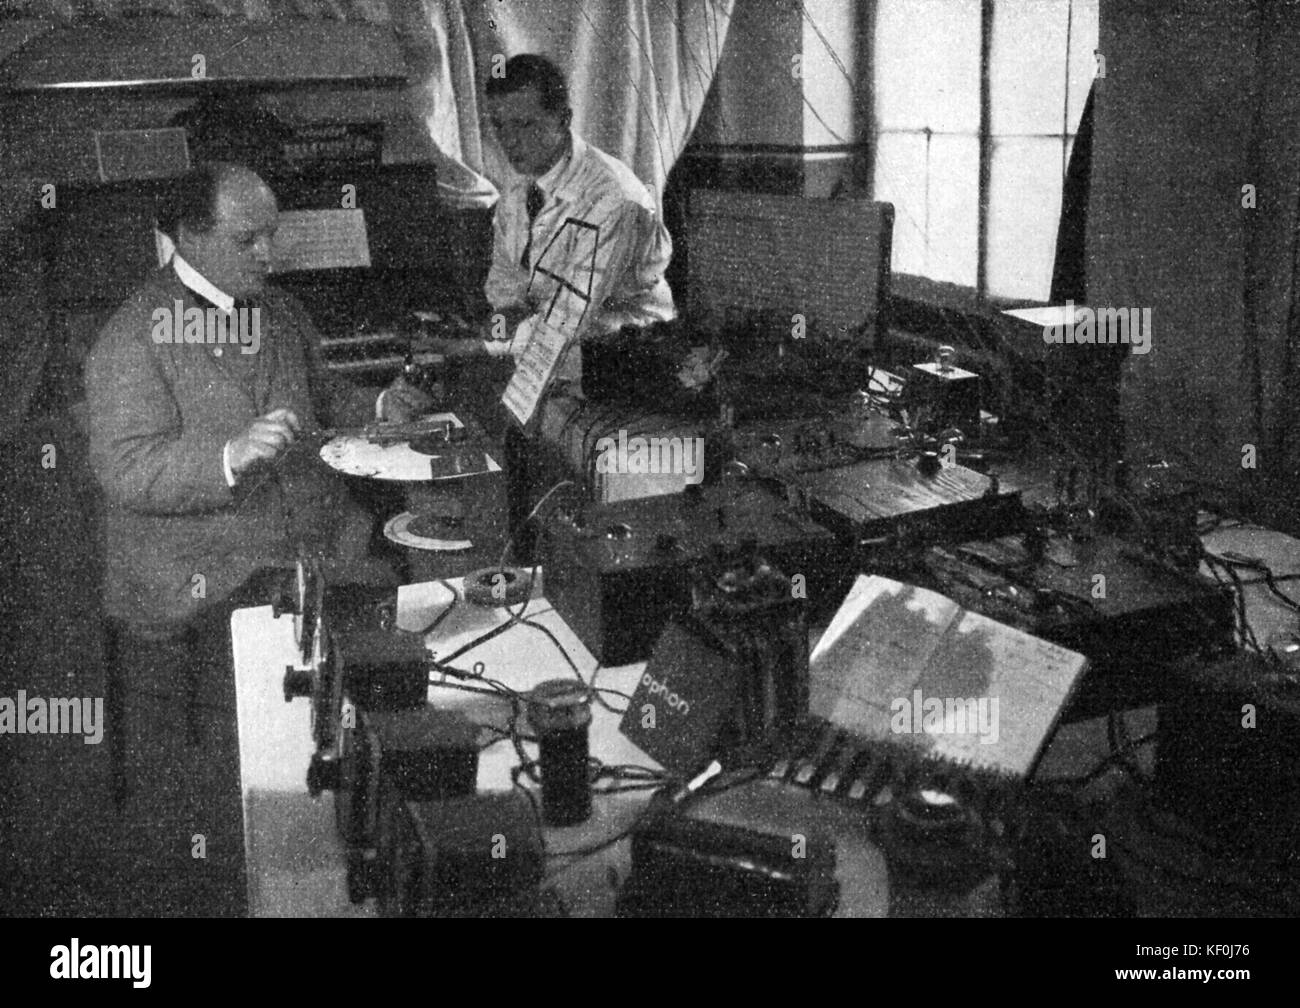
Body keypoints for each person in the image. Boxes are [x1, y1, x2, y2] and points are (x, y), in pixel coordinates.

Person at [83, 161, 431, 915]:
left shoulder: (278, 310)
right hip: (205, 561)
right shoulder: (132, 334)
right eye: (250, 239)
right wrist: (228, 456)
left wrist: (383, 403)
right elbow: (123, 468)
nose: (270, 254)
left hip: (311, 533)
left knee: (407, 610)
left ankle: (382, 817)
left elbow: (323, 399)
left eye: (272, 235)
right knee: (316, 666)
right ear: (187, 238)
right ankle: (301, 847)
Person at [424, 54, 675, 557]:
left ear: (563, 119)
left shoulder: (613, 198)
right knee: (477, 432)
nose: (511, 142)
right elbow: (504, 291)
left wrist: (477, 343)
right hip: (550, 357)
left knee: (557, 487)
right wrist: (494, 333)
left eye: (525, 125)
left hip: (626, 369)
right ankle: (521, 561)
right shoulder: (519, 192)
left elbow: (566, 322)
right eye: (500, 128)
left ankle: (548, 562)